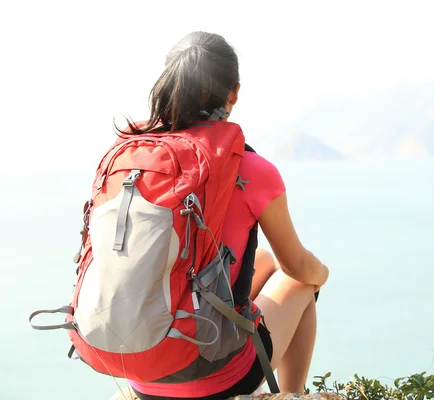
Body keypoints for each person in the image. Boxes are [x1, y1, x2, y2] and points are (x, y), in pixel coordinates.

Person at [121, 31, 330, 399]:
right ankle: (292, 394)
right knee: (301, 282)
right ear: (233, 93)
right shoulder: (250, 168)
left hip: (140, 370)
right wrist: (322, 273)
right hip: (214, 376)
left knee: (262, 260)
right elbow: (298, 267)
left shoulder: (136, 160)